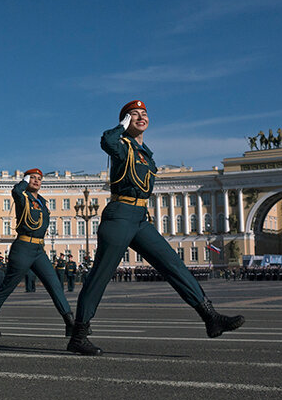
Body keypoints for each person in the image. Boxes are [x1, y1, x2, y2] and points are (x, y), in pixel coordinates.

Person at [68, 101, 244, 355]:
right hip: (120, 215)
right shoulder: (121, 146)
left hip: (140, 218)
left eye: (144, 114)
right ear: (126, 121)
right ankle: (78, 335)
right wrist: (122, 125)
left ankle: (210, 316)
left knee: (173, 263)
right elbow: (106, 141)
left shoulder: (145, 153)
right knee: (101, 275)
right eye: (134, 114)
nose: (140, 117)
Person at [0, 168, 75, 338]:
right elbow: (15, 190)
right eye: (33, 178)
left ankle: (70, 323)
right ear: (27, 180)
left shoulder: (43, 203)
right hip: (23, 247)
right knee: (8, 286)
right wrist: (24, 181)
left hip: (39, 250)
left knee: (54, 285)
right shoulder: (23, 198)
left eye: (39, 178)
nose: (36, 181)